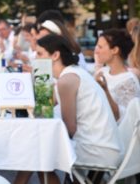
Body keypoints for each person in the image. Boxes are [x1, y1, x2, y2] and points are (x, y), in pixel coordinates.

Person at [15, 34, 123, 184]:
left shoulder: (67, 80)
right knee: (38, 150)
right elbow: (42, 108)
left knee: (38, 151)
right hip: (105, 146)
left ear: (55, 55)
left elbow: (70, 128)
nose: (35, 58)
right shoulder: (72, 74)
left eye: (39, 53)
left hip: (99, 150)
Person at [93, 29, 140, 122]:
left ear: (115, 50)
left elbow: (126, 120)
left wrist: (105, 91)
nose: (96, 51)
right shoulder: (102, 72)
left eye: (100, 47)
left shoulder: (129, 80)